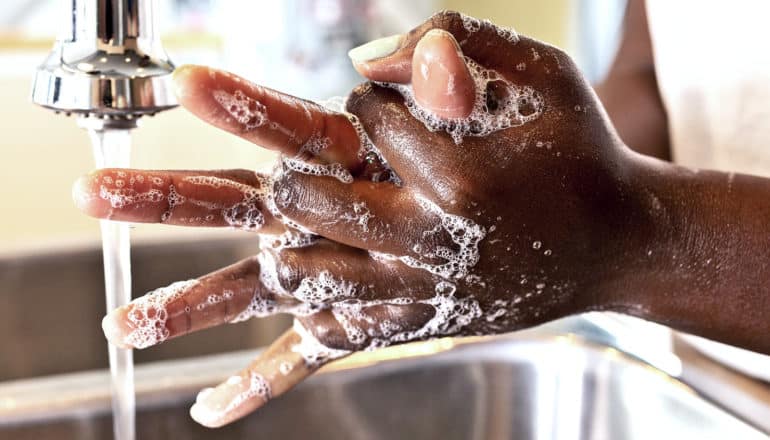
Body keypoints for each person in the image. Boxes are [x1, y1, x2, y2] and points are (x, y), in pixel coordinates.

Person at [72, 8, 770, 428]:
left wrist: (630, 234)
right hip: (706, 375)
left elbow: (628, 228)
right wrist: (518, 182)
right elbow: (654, 70)